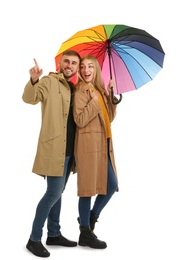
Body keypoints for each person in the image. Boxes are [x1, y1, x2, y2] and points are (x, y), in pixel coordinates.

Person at [22, 50, 81, 257]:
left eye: (74, 63)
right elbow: (29, 98)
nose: (70, 65)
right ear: (60, 64)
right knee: (53, 194)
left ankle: (54, 234)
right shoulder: (48, 82)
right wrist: (34, 79)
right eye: (67, 61)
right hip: (55, 149)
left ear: (77, 67)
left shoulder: (75, 88)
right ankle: (34, 239)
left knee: (58, 193)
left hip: (70, 151)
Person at [73, 54, 119, 249]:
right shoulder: (81, 91)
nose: (86, 70)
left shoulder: (99, 90)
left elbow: (110, 117)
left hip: (104, 144)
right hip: (88, 146)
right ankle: (85, 231)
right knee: (87, 190)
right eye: (83, 67)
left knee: (111, 185)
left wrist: (110, 96)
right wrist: (93, 101)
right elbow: (80, 119)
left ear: (96, 69)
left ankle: (90, 218)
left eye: (90, 66)